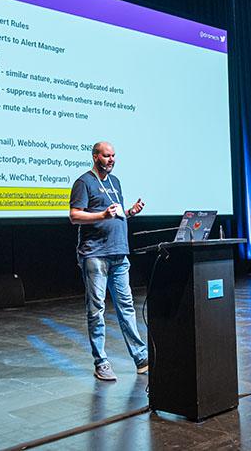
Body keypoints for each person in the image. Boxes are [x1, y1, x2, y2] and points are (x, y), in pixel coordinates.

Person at [69, 141, 148, 381]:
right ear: (95, 157)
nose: (111, 159)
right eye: (106, 156)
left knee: (127, 307)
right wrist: (102, 214)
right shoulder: (84, 182)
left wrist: (130, 212)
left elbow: (117, 214)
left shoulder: (115, 182)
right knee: (97, 310)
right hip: (95, 254)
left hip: (119, 253)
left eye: (113, 155)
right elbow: (75, 216)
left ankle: (141, 358)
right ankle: (101, 362)